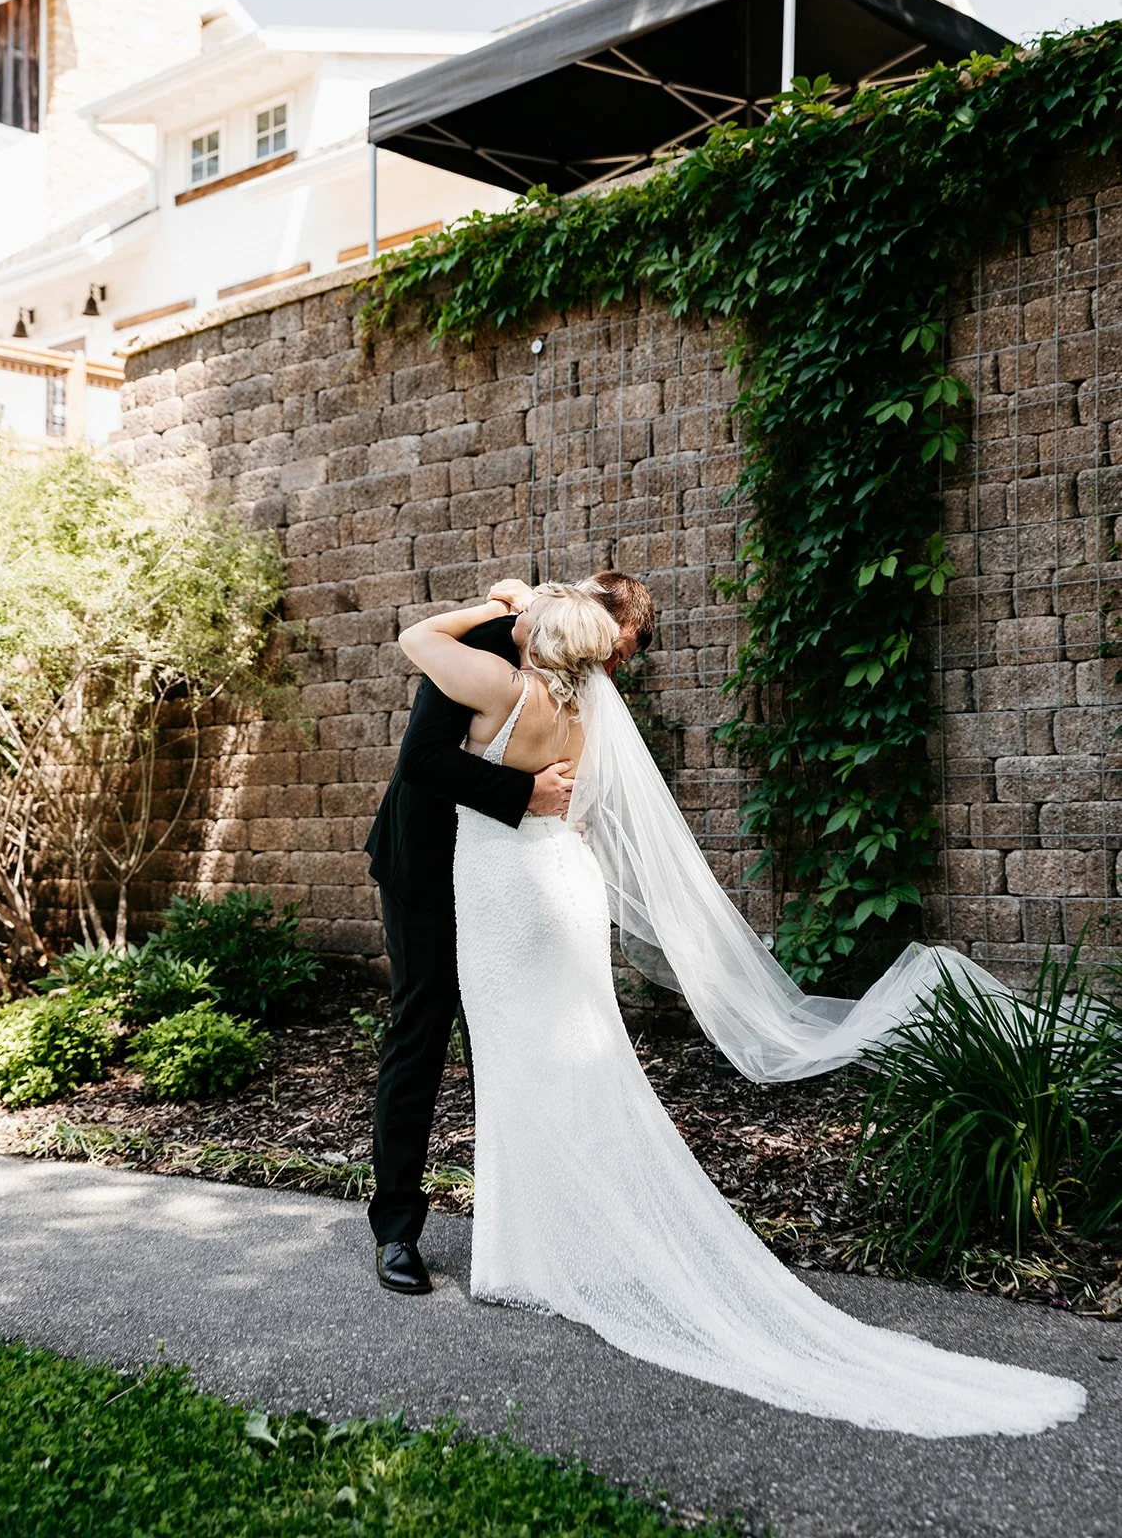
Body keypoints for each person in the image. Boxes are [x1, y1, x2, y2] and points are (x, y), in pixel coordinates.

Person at [395, 580, 1086, 1439]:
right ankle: (561, 1243)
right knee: (577, 1061)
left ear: (537, 636)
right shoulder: (596, 709)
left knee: (514, 1065)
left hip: (504, 892)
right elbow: (572, 805)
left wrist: (493, 606)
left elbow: (416, 638)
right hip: (565, 885)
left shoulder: (501, 683)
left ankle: (530, 1257)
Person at [364, 572, 655, 1295]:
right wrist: (525, 793)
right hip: (427, 868)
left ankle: (529, 1226)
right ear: (586, 620)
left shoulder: (577, 679)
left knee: (523, 1040)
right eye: (615, 650)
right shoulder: (488, 643)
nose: (612, 669)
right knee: (421, 1028)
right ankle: (396, 1230)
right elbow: (422, 761)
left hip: (509, 879)